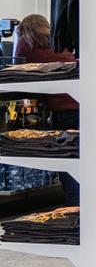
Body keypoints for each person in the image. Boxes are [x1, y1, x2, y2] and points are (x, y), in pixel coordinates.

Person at [12, 14, 78, 203]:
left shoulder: (28, 45)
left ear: (24, 31)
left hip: (63, 114)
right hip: (84, 108)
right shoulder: (61, 43)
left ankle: (75, 208)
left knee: (68, 165)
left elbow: (16, 65)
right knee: (83, 162)